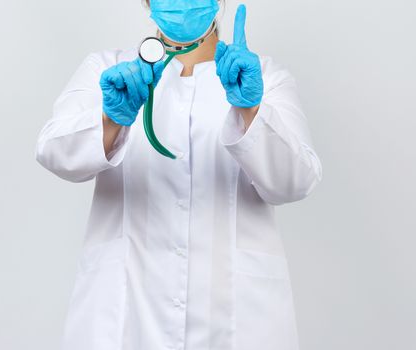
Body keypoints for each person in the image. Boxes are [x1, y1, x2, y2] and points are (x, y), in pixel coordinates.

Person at [35, 0, 322, 349]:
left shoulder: (263, 77)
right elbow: (53, 152)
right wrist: (112, 119)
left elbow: (295, 182)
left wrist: (251, 109)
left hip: (234, 319)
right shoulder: (108, 70)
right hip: (127, 316)